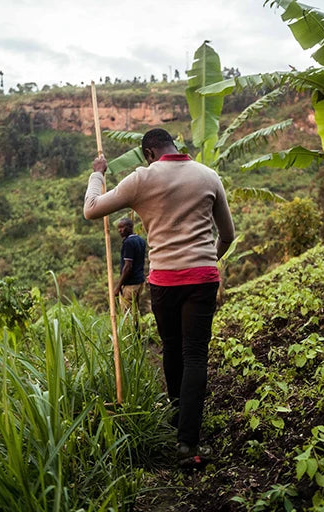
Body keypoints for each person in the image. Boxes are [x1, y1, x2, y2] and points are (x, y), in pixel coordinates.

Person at [84, 128, 235, 466]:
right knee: (195, 354)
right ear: (174, 146)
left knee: (171, 347)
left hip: (164, 281)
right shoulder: (208, 176)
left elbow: (92, 209)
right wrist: (207, 259)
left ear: (148, 154)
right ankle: (188, 443)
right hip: (202, 278)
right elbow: (228, 234)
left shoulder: (142, 180)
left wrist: (98, 172)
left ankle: (176, 415)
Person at [115, 217, 146, 329]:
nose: (120, 230)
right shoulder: (140, 240)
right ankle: (137, 337)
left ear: (129, 227)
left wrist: (118, 286)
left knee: (127, 315)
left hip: (130, 284)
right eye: (119, 228)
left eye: (122, 227)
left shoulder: (128, 243)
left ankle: (130, 338)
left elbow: (128, 266)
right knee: (135, 311)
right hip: (139, 282)